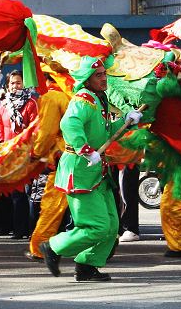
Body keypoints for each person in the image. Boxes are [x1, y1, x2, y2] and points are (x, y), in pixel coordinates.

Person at [39, 56, 143, 282]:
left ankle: (87, 265)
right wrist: (85, 149)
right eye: (98, 75)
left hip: (98, 169)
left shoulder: (98, 99)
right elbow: (69, 123)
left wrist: (126, 121)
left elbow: (105, 132)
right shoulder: (84, 99)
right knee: (96, 226)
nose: (104, 78)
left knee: (112, 225)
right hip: (81, 168)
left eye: (105, 74)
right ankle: (53, 246)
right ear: (87, 79)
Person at [26, 69, 71, 260]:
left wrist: (35, 153)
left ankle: (40, 247)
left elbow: (47, 132)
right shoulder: (72, 93)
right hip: (83, 156)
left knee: (52, 205)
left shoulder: (52, 96)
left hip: (64, 158)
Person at [0, 71, 36, 239]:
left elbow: (34, 128)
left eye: (18, 83)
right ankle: (17, 228)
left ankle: (28, 229)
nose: (15, 86)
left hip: (25, 153)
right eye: (12, 83)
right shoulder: (4, 104)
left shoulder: (31, 103)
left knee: (27, 192)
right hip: (8, 153)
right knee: (14, 194)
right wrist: (1, 145)